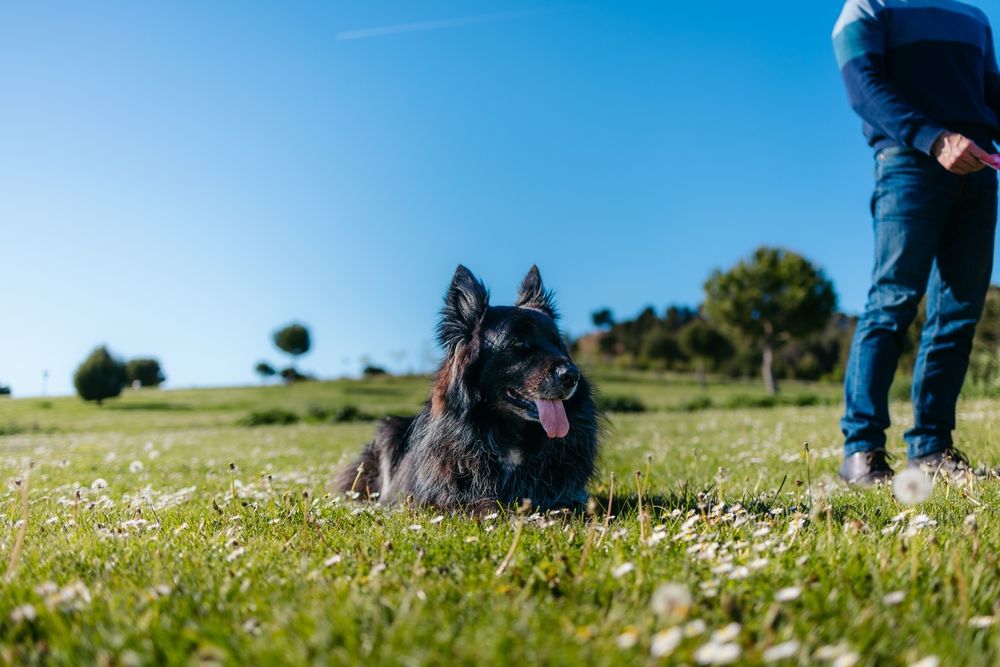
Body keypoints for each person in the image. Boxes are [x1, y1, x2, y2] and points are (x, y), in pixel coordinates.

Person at [833, 0, 1000, 484]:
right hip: (909, 165)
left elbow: (990, 92)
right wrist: (933, 137)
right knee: (893, 302)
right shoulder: (866, 6)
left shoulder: (974, 16)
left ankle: (932, 448)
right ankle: (861, 451)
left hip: (978, 170)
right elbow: (864, 87)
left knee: (959, 313)